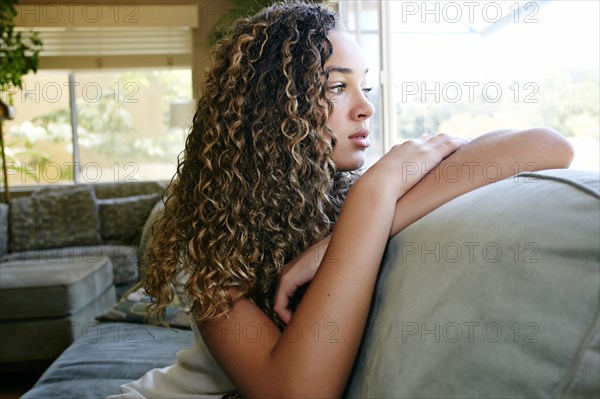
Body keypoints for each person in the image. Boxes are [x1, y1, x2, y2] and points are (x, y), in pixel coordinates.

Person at [109, 1, 574, 398]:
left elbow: (548, 145)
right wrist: (372, 198)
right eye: (337, 87)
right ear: (275, 109)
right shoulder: (213, 238)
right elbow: (296, 392)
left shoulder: (352, 193)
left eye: (364, 86)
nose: (365, 106)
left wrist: (350, 225)